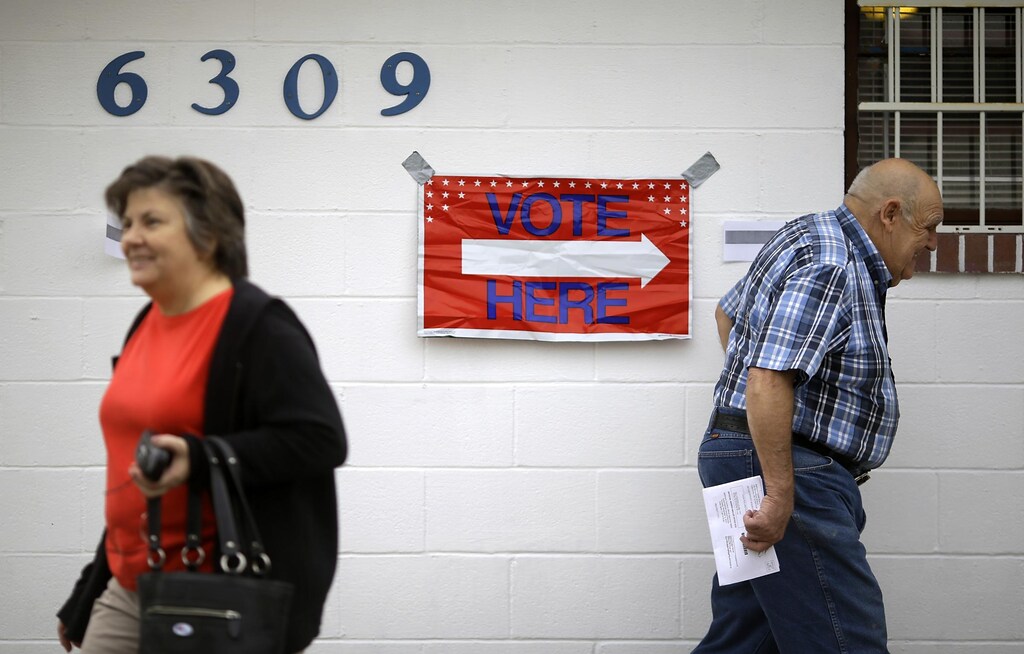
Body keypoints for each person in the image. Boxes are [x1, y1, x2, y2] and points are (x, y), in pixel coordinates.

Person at [56, 156, 347, 654]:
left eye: (151, 221)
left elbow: (320, 439)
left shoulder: (259, 327)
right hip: (128, 587)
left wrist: (202, 456)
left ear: (208, 236)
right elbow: (137, 473)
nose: (129, 238)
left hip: (214, 593)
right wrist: (88, 589)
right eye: (126, 223)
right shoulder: (146, 323)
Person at [694, 158, 943, 653]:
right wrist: (781, 490)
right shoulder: (834, 261)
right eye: (929, 227)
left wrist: (762, 418)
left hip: (748, 456)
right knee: (848, 640)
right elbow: (767, 377)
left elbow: (728, 316)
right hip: (792, 472)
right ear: (890, 213)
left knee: (746, 639)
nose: (934, 242)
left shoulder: (805, 236)